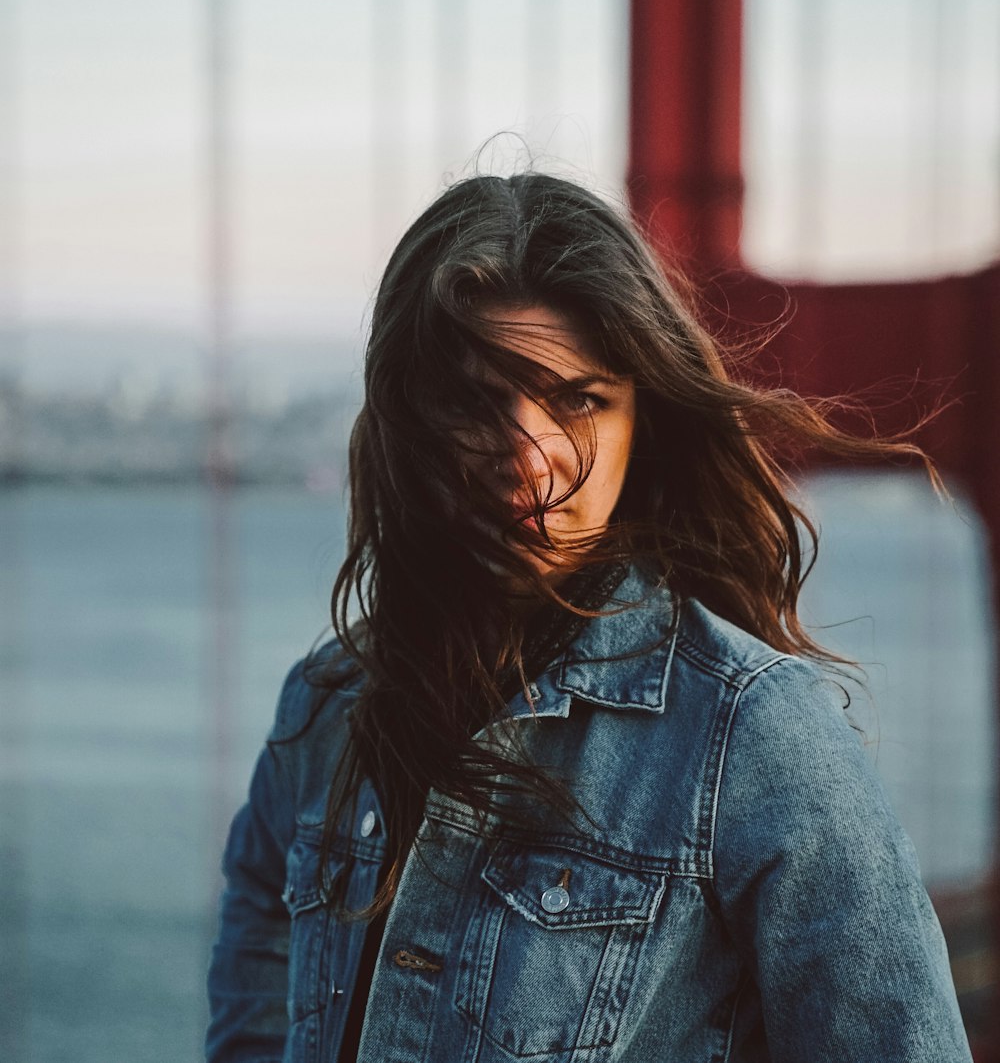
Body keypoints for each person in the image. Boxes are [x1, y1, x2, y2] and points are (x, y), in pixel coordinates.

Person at [206, 172, 972, 1062]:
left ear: (644, 418)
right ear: (408, 422)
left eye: (578, 400)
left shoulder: (755, 738)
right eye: (474, 401)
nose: (529, 461)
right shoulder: (323, 716)